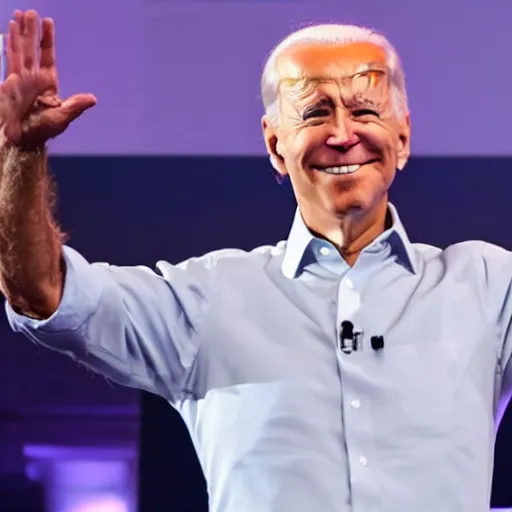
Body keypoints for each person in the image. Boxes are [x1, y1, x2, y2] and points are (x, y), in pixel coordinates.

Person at [1, 8, 510, 512]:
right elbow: (42, 291)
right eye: (314, 113)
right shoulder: (206, 300)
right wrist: (21, 155)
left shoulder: (488, 286)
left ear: (402, 137)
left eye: (364, 110)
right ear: (275, 144)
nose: (341, 134)